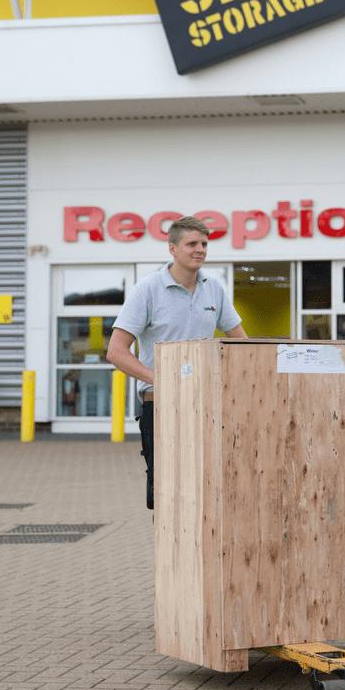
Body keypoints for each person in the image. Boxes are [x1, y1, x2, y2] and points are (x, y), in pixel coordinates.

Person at [106, 216, 247, 509]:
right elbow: (116, 352)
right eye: (192, 243)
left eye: (205, 244)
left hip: (206, 403)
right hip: (161, 404)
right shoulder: (147, 290)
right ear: (172, 248)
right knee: (167, 494)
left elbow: (241, 345)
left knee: (208, 488)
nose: (200, 250)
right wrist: (163, 379)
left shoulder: (214, 289)